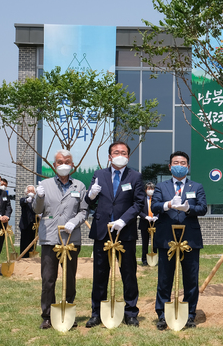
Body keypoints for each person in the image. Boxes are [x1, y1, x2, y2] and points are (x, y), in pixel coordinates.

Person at [85, 141, 145, 328]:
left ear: (128, 156)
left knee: (128, 273)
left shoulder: (135, 176)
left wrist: (123, 220)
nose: (120, 154)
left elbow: (139, 203)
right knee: (100, 273)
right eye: (116, 152)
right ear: (109, 156)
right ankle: (97, 312)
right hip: (103, 230)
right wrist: (91, 194)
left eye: (124, 152)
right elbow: (89, 201)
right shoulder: (99, 175)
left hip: (124, 231)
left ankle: (130, 312)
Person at [152, 151, 207, 330]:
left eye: (183, 163)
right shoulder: (161, 187)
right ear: (170, 166)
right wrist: (168, 205)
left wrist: (187, 208)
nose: (179, 165)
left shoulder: (196, 186)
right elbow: (154, 206)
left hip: (189, 238)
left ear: (188, 166)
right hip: (166, 237)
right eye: (176, 162)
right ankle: (162, 313)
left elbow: (203, 208)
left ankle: (190, 314)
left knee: (190, 278)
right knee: (165, 278)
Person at [33, 149, 88, 330]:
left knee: (69, 278)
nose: (63, 165)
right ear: (54, 165)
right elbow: (37, 210)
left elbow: (84, 211)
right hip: (50, 238)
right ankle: (48, 315)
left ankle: (67, 310)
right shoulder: (46, 184)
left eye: (67, 162)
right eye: (59, 162)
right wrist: (39, 197)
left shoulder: (79, 185)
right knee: (48, 278)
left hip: (71, 238)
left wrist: (74, 221)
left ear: (72, 165)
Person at [138, 182, 158, 266]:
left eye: (152, 189)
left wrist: (157, 216)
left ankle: (155, 260)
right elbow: (138, 210)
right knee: (145, 243)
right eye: (149, 189)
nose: (150, 190)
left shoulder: (157, 199)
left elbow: (161, 209)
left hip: (155, 223)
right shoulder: (142, 199)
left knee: (155, 242)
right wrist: (145, 216)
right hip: (144, 223)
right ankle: (144, 260)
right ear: (145, 190)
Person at [19, 185, 38, 255]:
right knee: (24, 242)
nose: (31, 192)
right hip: (25, 224)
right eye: (29, 191)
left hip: (34, 225)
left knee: (32, 242)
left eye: (32, 191)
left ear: (35, 193)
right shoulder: (23, 200)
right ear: (26, 192)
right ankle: (23, 257)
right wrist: (27, 200)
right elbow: (22, 202)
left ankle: (31, 256)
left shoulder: (37, 201)